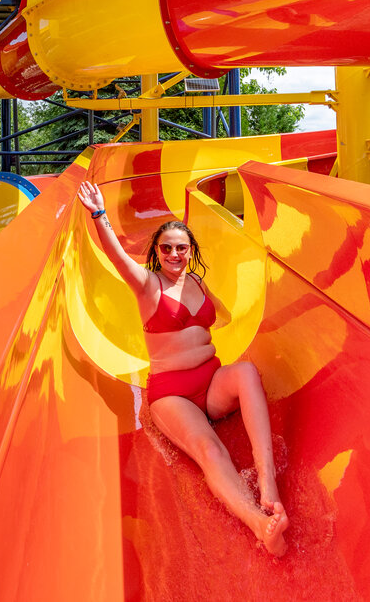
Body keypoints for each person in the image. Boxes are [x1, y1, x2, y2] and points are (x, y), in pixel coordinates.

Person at [78, 180, 290, 556]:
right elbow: (115, 256)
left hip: (210, 382)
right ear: (157, 253)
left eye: (181, 247)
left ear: (190, 251)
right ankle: (260, 525)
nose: (174, 254)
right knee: (209, 449)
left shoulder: (197, 282)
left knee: (247, 373)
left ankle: (267, 482)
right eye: (167, 248)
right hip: (173, 395)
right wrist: (99, 215)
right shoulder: (147, 285)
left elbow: (221, 315)